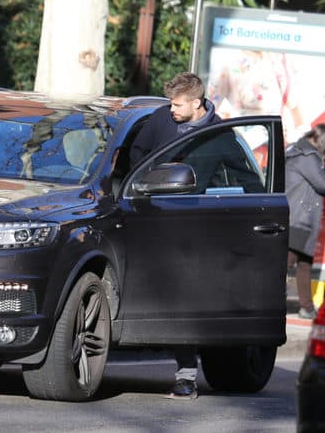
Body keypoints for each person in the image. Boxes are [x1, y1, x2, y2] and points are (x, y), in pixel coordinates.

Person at [130, 72, 221, 401]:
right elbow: (137, 153)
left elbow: (237, 179)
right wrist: (145, 181)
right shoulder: (159, 119)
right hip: (153, 217)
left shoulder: (218, 133)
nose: (171, 109)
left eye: (177, 104)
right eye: (170, 102)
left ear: (197, 103)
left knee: (185, 301)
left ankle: (186, 376)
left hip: (196, 228)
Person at [285, 123, 325, 319]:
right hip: (298, 220)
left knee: (304, 264)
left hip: (299, 217)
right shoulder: (307, 158)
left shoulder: (300, 152)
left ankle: (307, 307)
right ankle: (262, 301)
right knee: (286, 263)